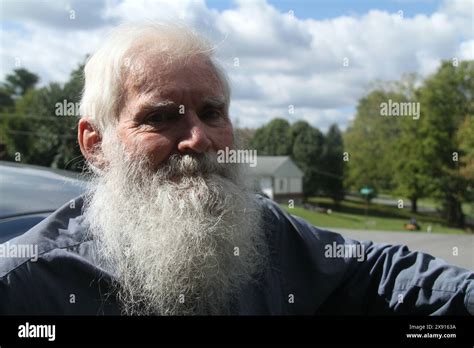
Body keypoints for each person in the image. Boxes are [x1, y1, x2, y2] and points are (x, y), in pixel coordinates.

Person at [0, 23, 472, 315]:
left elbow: (377, 272)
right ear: (95, 143)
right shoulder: (26, 284)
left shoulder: (265, 231)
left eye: (211, 112)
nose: (198, 139)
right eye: (160, 117)